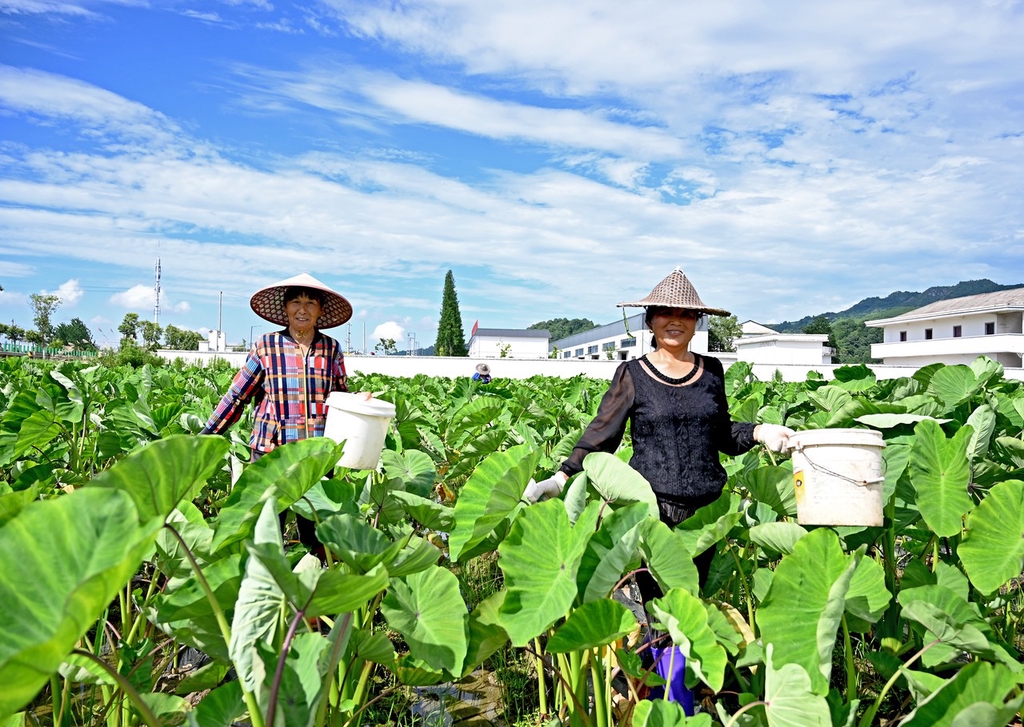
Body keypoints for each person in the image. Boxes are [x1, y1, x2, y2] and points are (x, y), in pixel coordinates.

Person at [524, 267, 794, 595]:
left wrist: (760, 431)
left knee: (690, 607)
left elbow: (722, 434)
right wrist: (561, 478)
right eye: (666, 312)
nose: (676, 320)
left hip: (706, 515)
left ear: (697, 321)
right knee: (658, 610)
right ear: (650, 320)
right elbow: (602, 434)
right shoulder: (632, 374)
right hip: (653, 512)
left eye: (686, 314)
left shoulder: (711, 370)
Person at [201, 272, 360, 552]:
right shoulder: (266, 346)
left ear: (320, 311)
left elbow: (340, 396)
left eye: (311, 303)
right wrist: (205, 435)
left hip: (316, 456)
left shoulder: (331, 348)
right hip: (271, 452)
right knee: (266, 532)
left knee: (315, 534)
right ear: (285, 309)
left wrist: (361, 402)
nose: (303, 309)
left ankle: (310, 585)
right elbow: (237, 396)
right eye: (296, 302)